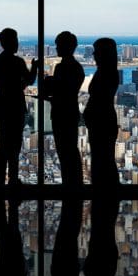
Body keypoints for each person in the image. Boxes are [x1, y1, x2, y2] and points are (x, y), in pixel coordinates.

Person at [0, 28, 39, 186]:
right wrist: (34, 67)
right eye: (16, 40)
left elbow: (4, 84)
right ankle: (13, 179)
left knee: (2, 145)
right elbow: (30, 80)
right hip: (16, 106)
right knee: (15, 145)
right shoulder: (17, 62)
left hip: (2, 106)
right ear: (11, 42)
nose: (17, 44)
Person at [41, 31, 84, 186]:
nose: (56, 48)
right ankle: (74, 184)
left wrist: (49, 86)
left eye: (58, 45)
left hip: (61, 113)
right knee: (70, 150)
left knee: (65, 151)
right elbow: (67, 91)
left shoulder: (62, 68)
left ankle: (70, 184)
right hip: (70, 112)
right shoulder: (77, 67)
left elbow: (59, 91)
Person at [84, 37, 120, 186]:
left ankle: (105, 194)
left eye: (96, 51)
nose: (93, 55)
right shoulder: (106, 72)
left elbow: (100, 99)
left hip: (102, 123)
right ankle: (106, 193)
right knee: (104, 159)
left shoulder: (106, 74)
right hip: (102, 121)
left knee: (102, 159)